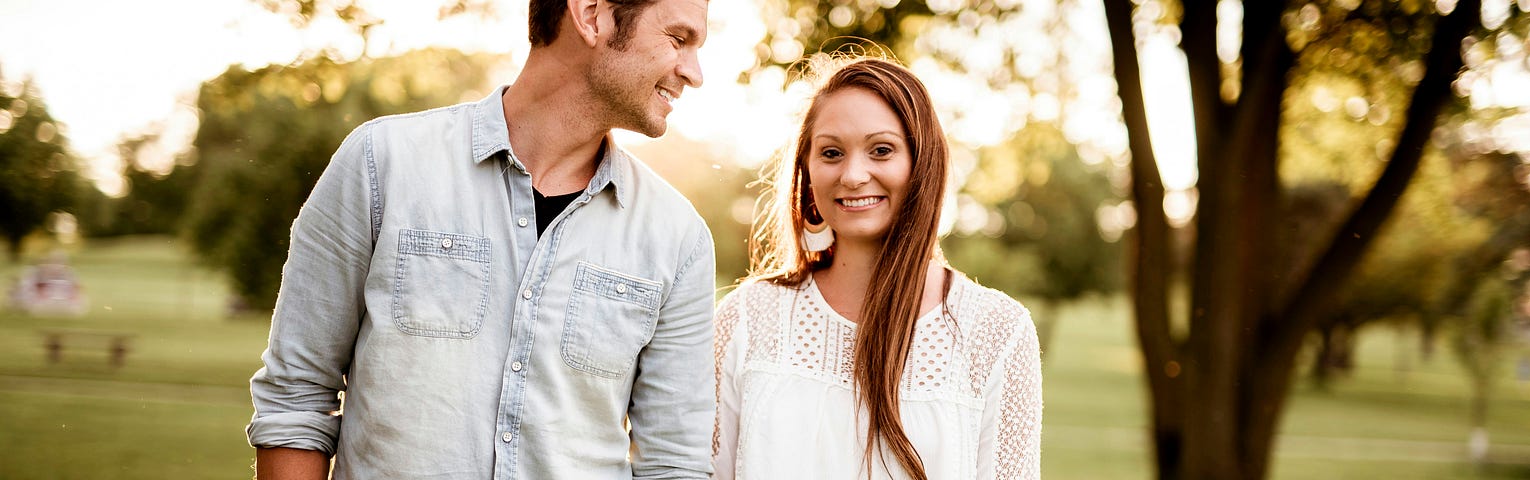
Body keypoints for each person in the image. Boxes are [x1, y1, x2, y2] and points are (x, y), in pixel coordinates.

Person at [246, 0, 717, 478]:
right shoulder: (382, 164)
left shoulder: (678, 237)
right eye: (679, 40)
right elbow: (296, 400)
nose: (694, 73)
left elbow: (673, 462)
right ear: (592, 14)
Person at [711, 58, 1042, 479]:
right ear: (807, 173)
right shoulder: (746, 320)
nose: (852, 175)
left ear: (922, 164)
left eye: (881, 150)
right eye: (831, 153)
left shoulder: (997, 332)